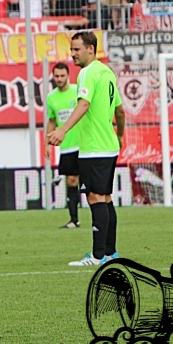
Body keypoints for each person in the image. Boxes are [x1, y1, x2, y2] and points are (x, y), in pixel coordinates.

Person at [46, 31, 124, 267]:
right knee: (106, 198)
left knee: (95, 197)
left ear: (91, 48)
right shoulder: (107, 72)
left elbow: (84, 104)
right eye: (71, 50)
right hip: (108, 145)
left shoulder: (88, 73)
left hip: (94, 147)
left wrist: (63, 130)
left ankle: (98, 256)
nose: (73, 54)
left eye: (77, 49)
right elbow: (120, 110)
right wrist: (120, 134)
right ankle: (110, 253)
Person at [47, 63, 81, 229]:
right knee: (71, 180)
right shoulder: (51, 98)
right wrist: (48, 143)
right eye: (56, 76)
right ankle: (74, 219)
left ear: (68, 75)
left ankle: (100, 219)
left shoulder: (77, 91)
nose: (59, 79)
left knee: (91, 183)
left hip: (84, 144)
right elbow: (52, 120)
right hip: (67, 146)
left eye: (62, 76)